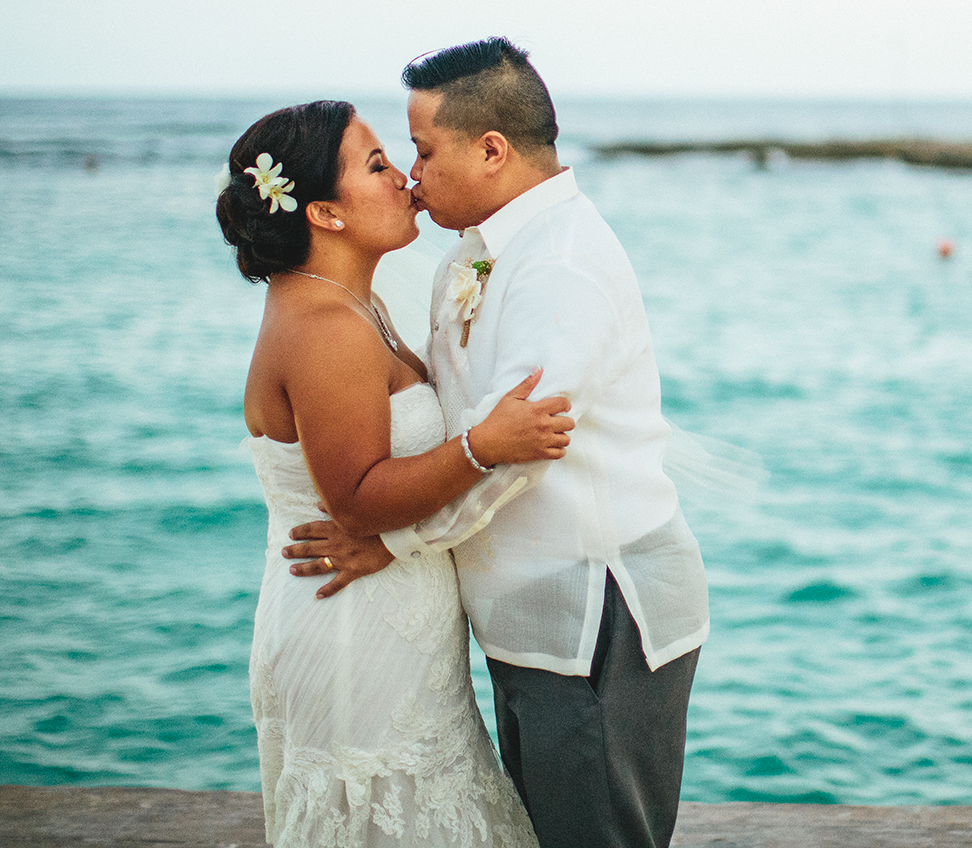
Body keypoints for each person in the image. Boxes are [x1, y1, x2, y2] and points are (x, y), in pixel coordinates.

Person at [284, 41, 710, 848]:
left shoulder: (562, 267)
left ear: (491, 150)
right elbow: (466, 430)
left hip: (597, 617)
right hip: (531, 617)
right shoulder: (471, 256)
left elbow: (513, 458)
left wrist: (391, 539)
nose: (412, 175)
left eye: (423, 150)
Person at [216, 98, 574, 848]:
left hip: (384, 615)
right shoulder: (324, 329)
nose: (407, 178)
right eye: (377, 164)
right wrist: (484, 444)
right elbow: (355, 499)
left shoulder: (352, 303)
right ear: (324, 212)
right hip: (352, 629)